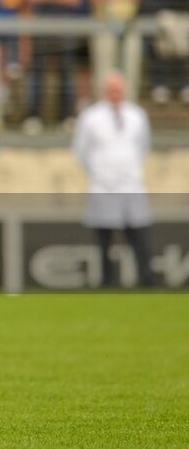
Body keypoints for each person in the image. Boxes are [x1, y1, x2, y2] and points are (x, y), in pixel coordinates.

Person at [72, 71, 154, 289]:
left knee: (139, 237)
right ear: (104, 91)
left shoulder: (137, 115)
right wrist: (101, 173)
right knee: (104, 240)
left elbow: (143, 146)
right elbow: (81, 151)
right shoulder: (91, 117)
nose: (115, 93)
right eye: (111, 89)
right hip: (104, 186)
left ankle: (147, 281)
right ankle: (106, 282)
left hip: (131, 185)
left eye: (118, 89)